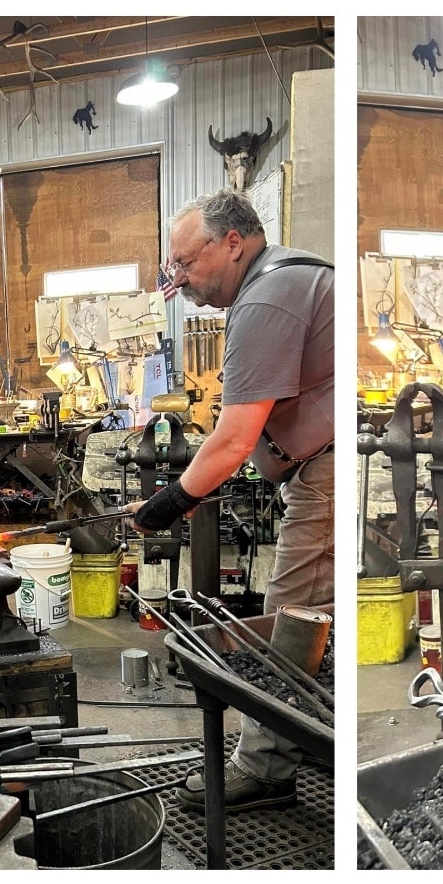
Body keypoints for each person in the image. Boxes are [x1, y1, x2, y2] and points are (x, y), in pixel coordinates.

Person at [126, 190, 334, 812]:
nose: (179, 278)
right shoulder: (280, 280)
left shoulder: (267, 297)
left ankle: (266, 767)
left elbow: (235, 438)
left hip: (323, 478)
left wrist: (169, 501)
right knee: (311, 615)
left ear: (233, 244)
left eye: (186, 263)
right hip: (312, 468)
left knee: (290, 618)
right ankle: (311, 736)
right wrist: (190, 496)